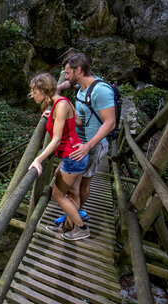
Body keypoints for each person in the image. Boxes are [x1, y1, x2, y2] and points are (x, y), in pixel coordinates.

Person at [52, 52, 116, 228]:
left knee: (82, 186)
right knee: (67, 181)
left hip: (92, 145)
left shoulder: (101, 91)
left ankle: (72, 221)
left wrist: (88, 146)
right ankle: (71, 215)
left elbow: (110, 123)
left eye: (67, 72)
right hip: (78, 143)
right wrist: (59, 88)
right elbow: (69, 84)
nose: (65, 76)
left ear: (78, 71)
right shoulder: (82, 85)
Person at [28, 73, 91, 240]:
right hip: (75, 156)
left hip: (72, 158)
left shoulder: (60, 105)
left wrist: (38, 159)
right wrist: (56, 119)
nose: (33, 95)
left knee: (57, 195)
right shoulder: (61, 103)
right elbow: (77, 121)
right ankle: (67, 227)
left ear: (43, 90)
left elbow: (56, 140)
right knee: (72, 193)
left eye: (35, 92)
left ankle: (82, 228)